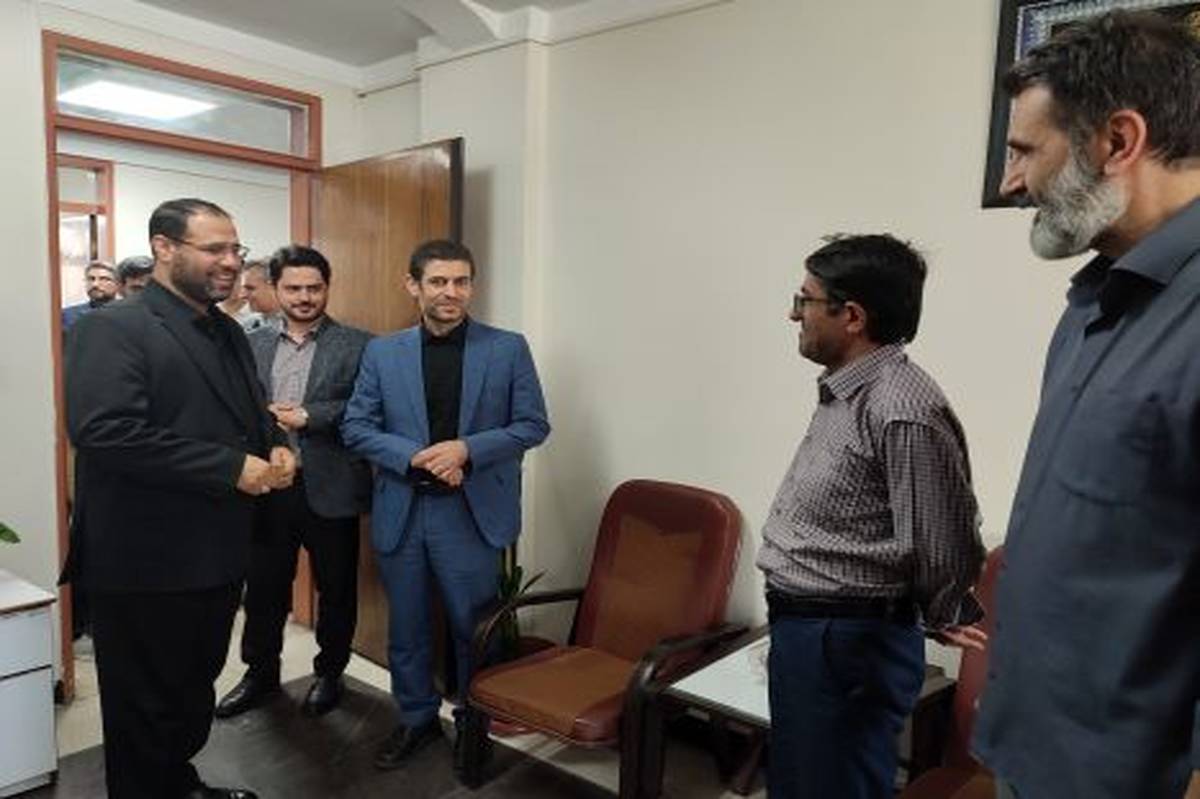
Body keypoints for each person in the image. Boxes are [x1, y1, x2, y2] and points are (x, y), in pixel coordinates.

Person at [972, 11, 1200, 799]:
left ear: (1118, 140)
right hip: (1033, 748)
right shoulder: (1092, 302)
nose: (1010, 183)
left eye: (1024, 151)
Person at [64, 197, 295, 799]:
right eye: (214, 249)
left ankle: (176, 782)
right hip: (144, 559)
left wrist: (277, 445)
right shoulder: (112, 327)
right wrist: (230, 468)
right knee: (144, 704)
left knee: (191, 690)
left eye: (236, 249)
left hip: (216, 552)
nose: (231, 262)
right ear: (164, 249)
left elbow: (249, 415)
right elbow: (104, 431)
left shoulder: (229, 330)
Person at [756, 234, 986, 799]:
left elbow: (941, 539)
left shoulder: (902, 406)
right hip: (813, 633)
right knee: (802, 782)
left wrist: (942, 606)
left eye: (805, 300)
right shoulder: (850, 391)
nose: (794, 313)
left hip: (847, 641)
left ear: (852, 316)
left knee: (835, 786)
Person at [342, 239, 550, 769]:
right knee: (407, 629)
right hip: (404, 509)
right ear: (413, 286)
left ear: (472, 286)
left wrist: (466, 450)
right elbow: (357, 427)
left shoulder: (506, 348)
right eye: (438, 281)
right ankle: (416, 720)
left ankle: (474, 727)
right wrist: (416, 457)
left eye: (461, 281)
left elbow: (532, 425)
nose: (451, 292)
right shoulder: (382, 353)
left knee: (472, 630)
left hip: (470, 513)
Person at [215, 244, 372, 720]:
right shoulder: (250, 343)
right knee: (263, 589)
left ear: (327, 287)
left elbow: (369, 407)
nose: (304, 297)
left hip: (331, 486)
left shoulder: (361, 345)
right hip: (268, 487)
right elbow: (233, 405)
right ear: (276, 289)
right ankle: (259, 674)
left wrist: (310, 415)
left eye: (314, 288)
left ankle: (330, 673)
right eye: (294, 288)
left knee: (337, 589)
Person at [62, 260, 118, 330]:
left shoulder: (125, 314)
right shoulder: (68, 315)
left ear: (117, 283)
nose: (95, 284)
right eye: (91, 279)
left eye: (103, 279)